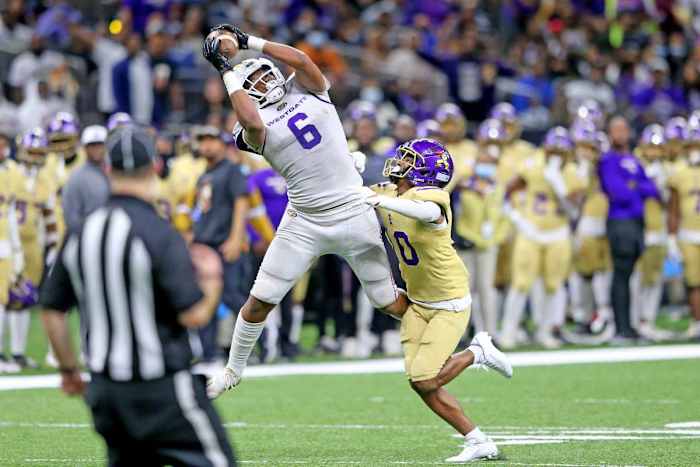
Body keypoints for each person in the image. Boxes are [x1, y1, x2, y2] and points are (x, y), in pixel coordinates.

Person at [202, 24, 407, 397]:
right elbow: (249, 120)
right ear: (245, 93)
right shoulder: (251, 127)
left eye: (267, 73)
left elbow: (300, 59)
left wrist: (249, 43)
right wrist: (226, 69)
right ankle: (232, 371)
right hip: (305, 222)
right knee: (259, 301)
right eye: (257, 82)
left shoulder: (310, 89)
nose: (266, 81)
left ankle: (444, 319)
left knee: (389, 302)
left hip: (351, 211)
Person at [39, 125, 236, 466]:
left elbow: (53, 310)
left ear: (107, 169)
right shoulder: (160, 233)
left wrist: (70, 370)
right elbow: (193, 315)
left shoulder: (82, 232)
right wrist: (213, 279)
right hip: (162, 388)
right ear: (156, 167)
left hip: (105, 392)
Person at [361, 138, 512, 463]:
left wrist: (376, 198)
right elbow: (357, 189)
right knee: (421, 384)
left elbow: (424, 211)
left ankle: (477, 352)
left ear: (425, 171)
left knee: (425, 377)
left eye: (408, 159)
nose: (399, 163)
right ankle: (478, 440)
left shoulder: (433, 197)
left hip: (448, 300)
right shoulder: (392, 191)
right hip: (418, 299)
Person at [501, 127, 586, 349]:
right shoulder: (532, 164)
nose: (556, 155)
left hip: (558, 231)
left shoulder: (573, 173)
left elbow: (574, 211)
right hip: (531, 229)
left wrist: (558, 184)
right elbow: (507, 191)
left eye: (561, 151)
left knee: (553, 284)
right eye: (553, 150)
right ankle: (508, 331)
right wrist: (516, 216)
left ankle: (546, 331)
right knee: (520, 283)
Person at [191, 126, 251, 363]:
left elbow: (241, 203)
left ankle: (257, 347)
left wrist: (236, 238)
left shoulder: (233, 171)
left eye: (211, 140)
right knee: (207, 299)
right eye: (202, 140)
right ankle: (209, 352)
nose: (206, 145)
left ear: (222, 144)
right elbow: (201, 212)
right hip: (205, 246)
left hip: (224, 243)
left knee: (234, 297)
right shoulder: (203, 175)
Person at [598, 116, 660, 342]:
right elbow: (618, 191)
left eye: (624, 129)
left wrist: (635, 186)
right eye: (616, 129)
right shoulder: (608, 160)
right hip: (620, 221)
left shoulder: (634, 160)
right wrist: (636, 187)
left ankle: (629, 326)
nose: (621, 133)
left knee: (630, 275)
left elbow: (652, 189)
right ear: (609, 133)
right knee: (621, 274)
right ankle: (621, 328)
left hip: (636, 222)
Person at [453, 119, 509, 337]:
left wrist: (497, 237)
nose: (488, 163)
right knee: (466, 290)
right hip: (467, 240)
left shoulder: (498, 187)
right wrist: (462, 179)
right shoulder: (464, 184)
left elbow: (504, 217)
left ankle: (491, 333)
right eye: (484, 159)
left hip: (489, 243)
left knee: (487, 289)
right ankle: (467, 332)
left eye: (492, 161)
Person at [9, 127, 57, 369]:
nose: (36, 157)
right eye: (32, 152)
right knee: (3, 299)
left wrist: (53, 246)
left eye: (40, 152)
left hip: (32, 247)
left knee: (23, 298)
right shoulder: (9, 173)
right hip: (7, 244)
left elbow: (49, 217)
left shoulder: (45, 180)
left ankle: (17, 353)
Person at [567, 120, 614, 340]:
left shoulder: (602, 165)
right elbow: (574, 197)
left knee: (602, 270)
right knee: (581, 273)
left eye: (591, 147)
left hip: (601, 219)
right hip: (578, 223)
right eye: (583, 146)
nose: (587, 151)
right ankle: (583, 315)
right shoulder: (572, 167)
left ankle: (603, 313)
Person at [629, 124, 674, 341]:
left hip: (659, 228)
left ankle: (648, 320)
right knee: (636, 277)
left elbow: (667, 201)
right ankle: (635, 321)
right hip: (639, 226)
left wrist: (661, 184)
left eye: (659, 148)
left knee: (655, 278)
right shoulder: (634, 164)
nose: (655, 152)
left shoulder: (666, 168)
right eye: (651, 147)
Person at [667, 117, 700, 341]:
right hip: (689, 233)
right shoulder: (678, 171)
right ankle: (698, 321)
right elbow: (674, 208)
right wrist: (671, 237)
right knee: (694, 281)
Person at [0, 132, 23, 373]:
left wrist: (17, 251)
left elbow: (10, 213)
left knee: (3, 302)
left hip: (4, 245)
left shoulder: (9, 173)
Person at [60, 125, 110, 233]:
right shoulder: (76, 177)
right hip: (88, 236)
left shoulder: (115, 172)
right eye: (92, 145)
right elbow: (71, 215)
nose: (97, 149)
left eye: (100, 144)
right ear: (84, 148)